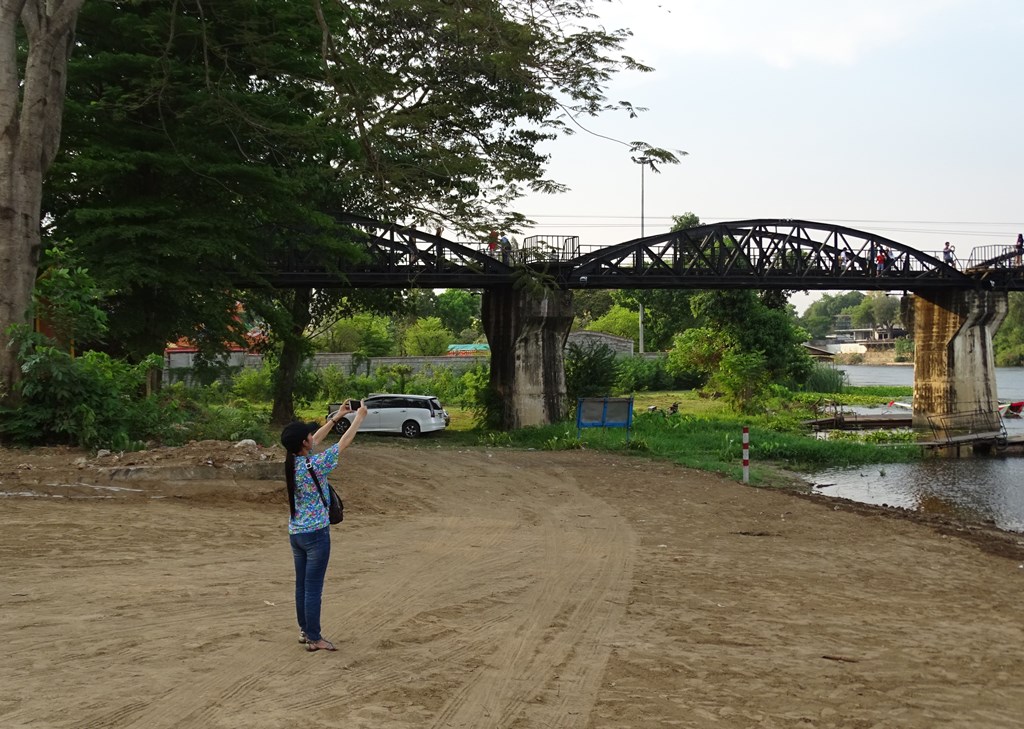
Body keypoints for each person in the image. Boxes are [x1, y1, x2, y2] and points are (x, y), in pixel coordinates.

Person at [280, 399, 368, 653]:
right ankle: (314, 637)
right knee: (313, 588)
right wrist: (359, 418)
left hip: (296, 532)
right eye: (308, 435)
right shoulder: (315, 465)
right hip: (316, 534)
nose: (312, 436)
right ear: (303, 443)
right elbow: (342, 444)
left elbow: (315, 441)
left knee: (302, 585)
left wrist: (338, 416)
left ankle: (304, 630)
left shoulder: (292, 463)